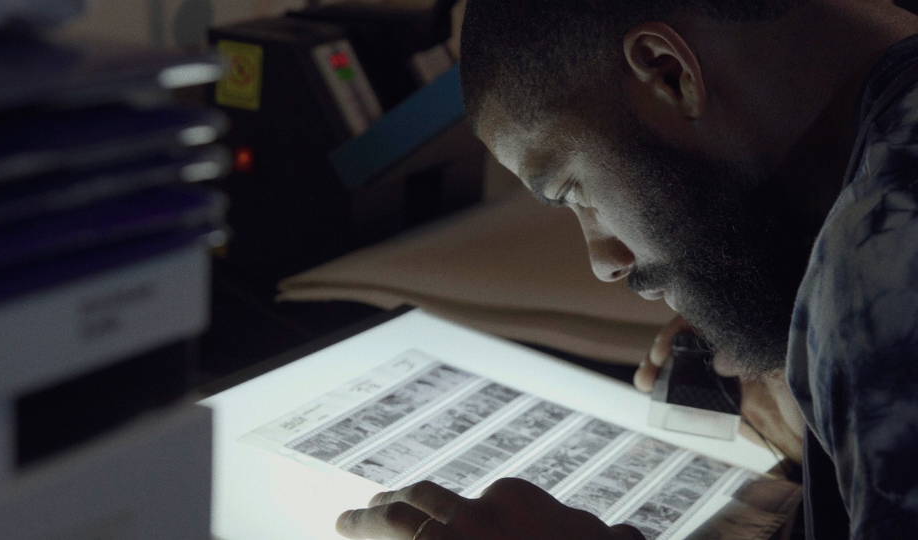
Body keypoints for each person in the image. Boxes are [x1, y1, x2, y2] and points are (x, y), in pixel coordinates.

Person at [334, 0, 918, 538]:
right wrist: (829, 448)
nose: (604, 261)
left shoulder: (884, 261)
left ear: (668, 74)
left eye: (572, 189)